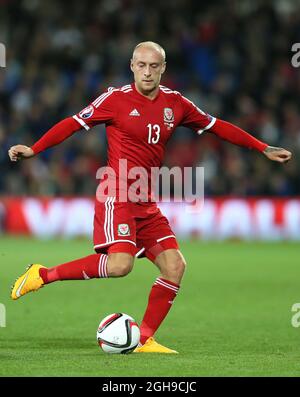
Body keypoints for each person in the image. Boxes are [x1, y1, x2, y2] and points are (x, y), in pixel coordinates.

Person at [8, 41, 292, 353]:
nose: (147, 72)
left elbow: (217, 127)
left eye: (153, 66)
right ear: (132, 66)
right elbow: (73, 124)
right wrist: (35, 148)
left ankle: (143, 339)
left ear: (163, 69)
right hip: (117, 193)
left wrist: (262, 147)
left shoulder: (177, 103)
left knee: (175, 266)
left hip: (145, 200)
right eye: (141, 65)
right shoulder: (115, 99)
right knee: (120, 266)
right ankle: (43, 274)